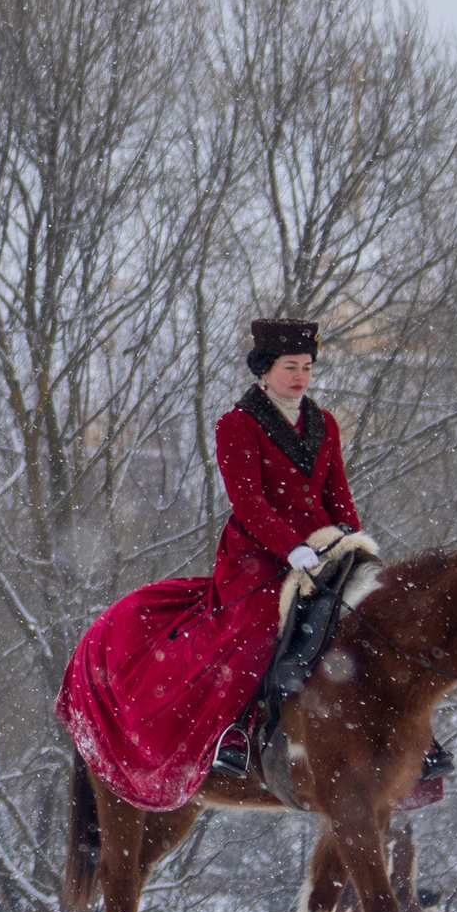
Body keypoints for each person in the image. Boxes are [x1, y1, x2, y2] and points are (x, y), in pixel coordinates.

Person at [61, 319, 369, 810]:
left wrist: (354, 544)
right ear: (265, 370)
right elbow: (250, 504)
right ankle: (236, 730)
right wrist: (292, 548)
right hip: (259, 556)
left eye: (307, 367)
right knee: (263, 623)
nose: (301, 377)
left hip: (323, 550)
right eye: (291, 367)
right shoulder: (238, 424)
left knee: (374, 615)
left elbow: (339, 497)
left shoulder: (325, 424)